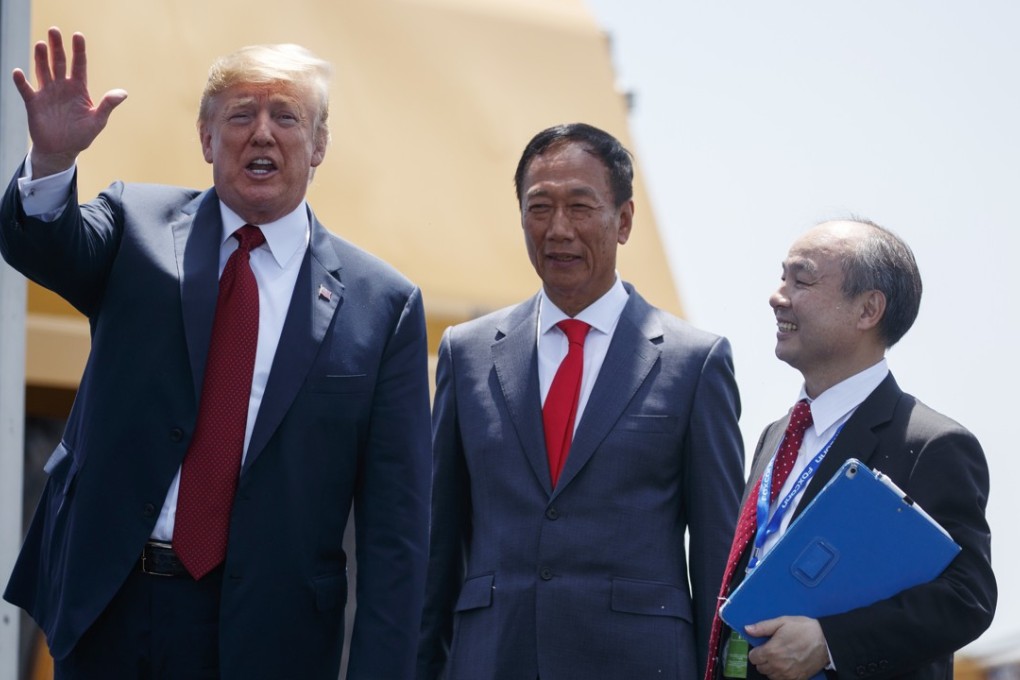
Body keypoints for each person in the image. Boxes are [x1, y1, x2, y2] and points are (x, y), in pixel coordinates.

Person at [1, 27, 432, 679]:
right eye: (241, 115)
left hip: (269, 634)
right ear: (206, 138)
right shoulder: (135, 225)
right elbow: (47, 248)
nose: (262, 133)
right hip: (108, 608)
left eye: (286, 115)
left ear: (318, 145)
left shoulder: (384, 304)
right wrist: (53, 162)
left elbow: (396, 532)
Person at [417, 122, 745, 680]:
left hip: (638, 662)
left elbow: (719, 555)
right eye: (539, 207)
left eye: (580, 206)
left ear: (624, 220)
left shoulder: (695, 362)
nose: (558, 229)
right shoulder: (465, 353)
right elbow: (437, 544)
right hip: (492, 657)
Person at [706, 220, 996, 680]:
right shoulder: (776, 435)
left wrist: (830, 642)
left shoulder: (929, 443)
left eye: (801, 280)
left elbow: (967, 597)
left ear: (868, 310)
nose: (777, 295)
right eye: (782, 277)